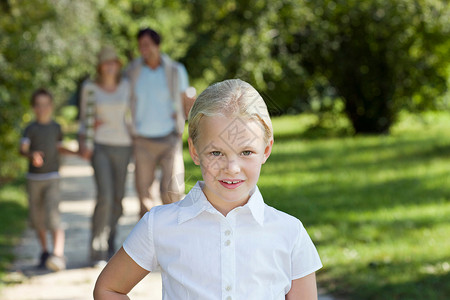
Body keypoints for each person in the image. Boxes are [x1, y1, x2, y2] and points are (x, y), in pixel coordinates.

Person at [94, 79, 322, 299]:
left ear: (266, 149)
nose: (232, 168)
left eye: (246, 152)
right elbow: (109, 289)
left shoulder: (290, 234)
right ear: (194, 151)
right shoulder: (159, 225)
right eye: (216, 153)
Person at [126, 27, 196, 217]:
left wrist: (184, 118)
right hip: (142, 139)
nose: (143, 49)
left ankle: (173, 232)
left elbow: (185, 100)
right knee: (144, 193)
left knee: (172, 189)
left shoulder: (175, 70)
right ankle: (148, 238)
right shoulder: (133, 71)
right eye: (141, 46)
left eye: (147, 45)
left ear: (158, 45)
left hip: (169, 138)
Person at [78, 45, 133, 266]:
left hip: (123, 145)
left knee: (118, 199)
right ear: (100, 66)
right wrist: (84, 140)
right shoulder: (89, 88)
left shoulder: (126, 86)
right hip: (99, 145)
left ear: (118, 65)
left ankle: (111, 240)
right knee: (105, 196)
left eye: (114, 62)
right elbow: (84, 118)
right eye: (106, 62)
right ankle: (96, 249)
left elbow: (131, 115)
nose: (110, 66)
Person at [20, 88, 77, 271]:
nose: (42, 108)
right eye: (38, 105)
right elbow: (22, 149)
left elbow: (59, 147)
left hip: (52, 176)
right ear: (33, 107)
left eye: (46, 105)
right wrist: (31, 155)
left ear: (51, 106)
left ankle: (58, 254)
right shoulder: (30, 129)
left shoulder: (56, 127)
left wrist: (77, 153)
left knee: (53, 215)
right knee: (38, 218)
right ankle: (45, 252)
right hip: (34, 179)